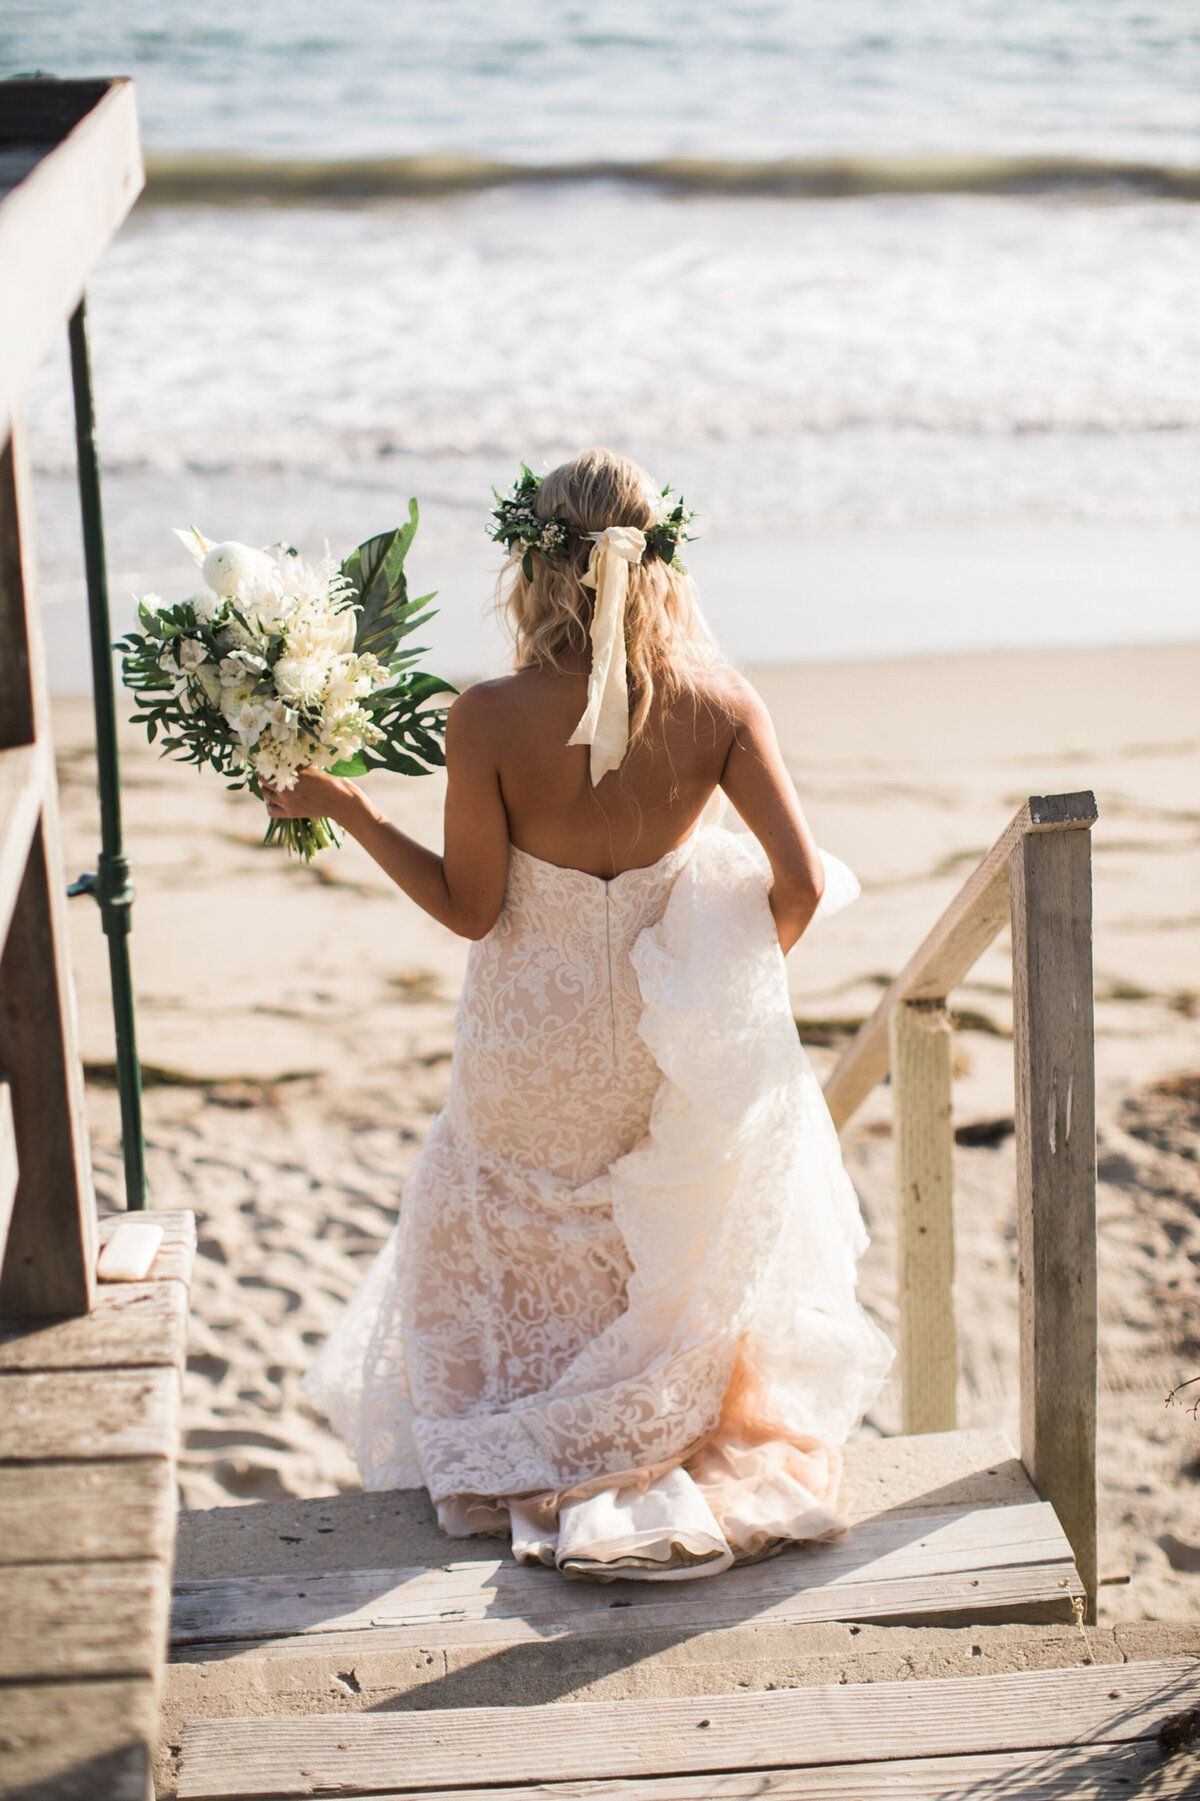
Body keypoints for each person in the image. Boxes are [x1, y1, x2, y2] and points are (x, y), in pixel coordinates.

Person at [269, 448, 893, 1579]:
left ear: (532, 564)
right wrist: (716, 988)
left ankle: (528, 1429)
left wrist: (351, 808)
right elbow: (796, 888)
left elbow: (472, 910)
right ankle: (647, 1419)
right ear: (659, 560)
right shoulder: (719, 704)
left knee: (493, 1195)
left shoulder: (491, 716)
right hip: (660, 1043)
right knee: (645, 1223)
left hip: (528, 1046)